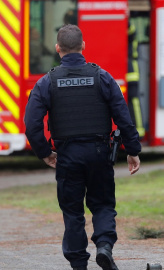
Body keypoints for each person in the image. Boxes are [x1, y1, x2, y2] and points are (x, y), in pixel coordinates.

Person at [24, 24, 141, 270]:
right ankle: (105, 246)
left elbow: (32, 124)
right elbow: (123, 116)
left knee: (73, 211)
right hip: (99, 153)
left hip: (67, 155)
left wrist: (45, 153)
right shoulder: (103, 77)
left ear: (58, 49)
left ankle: (79, 263)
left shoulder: (47, 82)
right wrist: (132, 150)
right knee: (103, 204)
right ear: (83, 46)